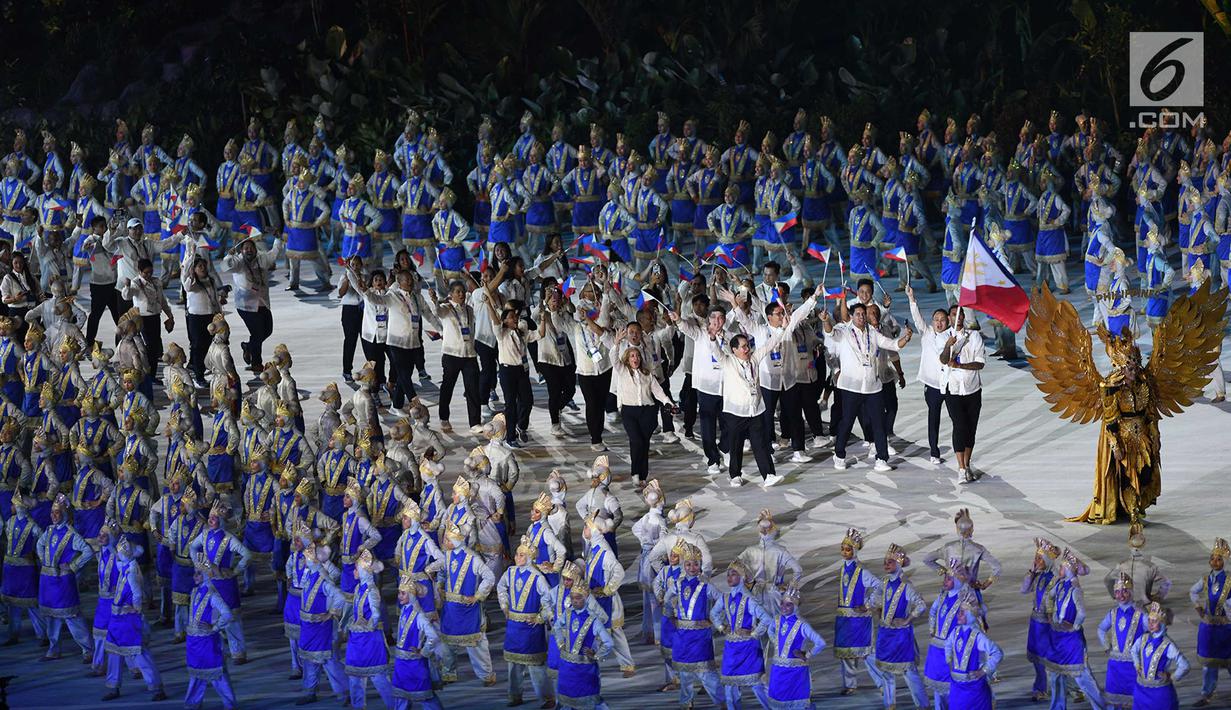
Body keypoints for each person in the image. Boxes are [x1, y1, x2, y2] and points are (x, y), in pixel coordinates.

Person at [715, 285, 821, 487]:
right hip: (750, 397)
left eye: (783, 313)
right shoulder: (755, 335)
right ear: (769, 316)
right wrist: (733, 305)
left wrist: (814, 297)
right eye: (779, 313)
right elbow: (742, 323)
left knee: (776, 428)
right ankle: (736, 473)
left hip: (776, 388)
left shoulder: (776, 337)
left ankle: (775, 469)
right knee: (744, 439)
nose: (783, 315)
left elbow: (791, 323)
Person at [822, 300, 913, 472]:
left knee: (878, 423)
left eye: (863, 314)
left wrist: (906, 338)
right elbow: (830, 332)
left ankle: (881, 459)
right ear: (851, 316)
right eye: (857, 314)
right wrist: (826, 320)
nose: (861, 317)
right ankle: (839, 454)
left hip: (872, 386)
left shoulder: (873, 332)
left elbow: (892, 345)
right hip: (851, 387)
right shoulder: (844, 331)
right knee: (847, 422)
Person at [101, 536, 167, 701]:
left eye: (120, 551)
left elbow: (137, 593)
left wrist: (135, 608)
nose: (118, 553)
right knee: (115, 653)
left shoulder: (131, 570)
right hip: (117, 618)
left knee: (139, 653)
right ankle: (113, 685)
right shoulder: (124, 564)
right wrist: (108, 543)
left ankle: (156, 687)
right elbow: (114, 556)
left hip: (128, 618)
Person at [1045, 548, 1107, 710]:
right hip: (1058, 637)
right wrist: (1050, 615)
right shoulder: (1059, 586)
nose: (1059, 570)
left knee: (1082, 677)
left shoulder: (1075, 590)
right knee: (1056, 675)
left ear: (1067, 569)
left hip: (1072, 640)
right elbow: (1048, 596)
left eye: (1061, 567)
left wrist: (1074, 627)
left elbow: (1082, 612)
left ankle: (1101, 707)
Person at [497, 534, 554, 708]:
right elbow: (501, 587)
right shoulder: (510, 572)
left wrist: (540, 617)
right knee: (513, 665)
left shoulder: (538, 577)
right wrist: (505, 606)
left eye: (521, 555)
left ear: (529, 557)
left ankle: (547, 697)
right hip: (514, 626)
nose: (517, 558)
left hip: (530, 628)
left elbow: (548, 600)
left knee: (535, 665)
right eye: (516, 554)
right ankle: (515, 695)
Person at [37, 493, 94, 662]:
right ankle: (54, 649)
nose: (54, 516)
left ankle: (88, 650)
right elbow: (40, 544)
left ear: (64, 514)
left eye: (57, 513)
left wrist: (73, 566)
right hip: (48, 580)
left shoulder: (71, 534)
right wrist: (44, 560)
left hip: (63, 581)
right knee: (52, 617)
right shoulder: (49, 530)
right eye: (52, 513)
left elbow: (88, 551)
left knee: (72, 617)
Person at [871, 542, 928, 710]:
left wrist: (906, 620)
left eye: (890, 562)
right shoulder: (884, 582)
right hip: (885, 634)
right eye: (885, 562)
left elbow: (921, 605)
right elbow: (874, 600)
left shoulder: (906, 585)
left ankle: (923, 705)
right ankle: (890, 705)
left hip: (901, 636)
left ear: (898, 563)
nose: (886, 565)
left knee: (909, 673)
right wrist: (875, 608)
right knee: (886, 673)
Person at [220, 227, 285, 373]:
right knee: (257, 333)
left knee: (267, 330)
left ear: (255, 250)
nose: (249, 250)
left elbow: (274, 254)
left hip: (262, 301)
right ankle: (256, 363)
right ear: (241, 251)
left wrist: (278, 239)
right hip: (246, 305)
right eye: (246, 248)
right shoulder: (238, 262)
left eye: (251, 248)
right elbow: (225, 267)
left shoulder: (261, 259)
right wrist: (228, 257)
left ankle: (249, 346)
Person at [553, 569, 616, 710]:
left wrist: (597, 655)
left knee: (590, 701)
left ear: (586, 598)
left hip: (584, 669)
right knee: (566, 700)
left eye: (578, 598)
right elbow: (556, 627)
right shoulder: (567, 614)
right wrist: (560, 643)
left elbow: (609, 642)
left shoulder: (593, 620)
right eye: (573, 598)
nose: (575, 602)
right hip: (567, 667)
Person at [184, 551, 240, 710]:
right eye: (195, 573)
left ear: (206, 575)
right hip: (195, 642)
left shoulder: (212, 595)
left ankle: (230, 705)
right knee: (196, 675)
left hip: (208, 642)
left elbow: (227, 614)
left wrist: (215, 627)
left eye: (198, 574)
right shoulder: (195, 592)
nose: (195, 576)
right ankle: (192, 704)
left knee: (218, 675)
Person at [714, 559, 772, 709]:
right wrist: (721, 626)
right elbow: (713, 613)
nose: (729, 577)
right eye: (728, 574)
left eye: (734, 574)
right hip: (731, 649)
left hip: (748, 648)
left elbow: (767, 619)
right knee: (730, 687)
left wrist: (753, 632)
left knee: (757, 686)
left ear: (741, 577)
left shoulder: (749, 599)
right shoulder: (725, 598)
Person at [905, 282, 950, 465]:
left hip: (950, 384)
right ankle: (934, 450)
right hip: (932, 385)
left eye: (942, 320)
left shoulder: (952, 335)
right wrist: (911, 298)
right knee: (934, 418)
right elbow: (917, 318)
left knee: (957, 418)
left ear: (947, 322)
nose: (939, 323)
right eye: (936, 320)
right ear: (932, 322)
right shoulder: (927, 333)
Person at [939, 307, 986, 483]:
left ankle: (967, 465)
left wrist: (960, 366)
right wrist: (948, 346)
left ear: (963, 317)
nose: (957, 318)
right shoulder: (944, 336)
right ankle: (960, 468)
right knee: (959, 426)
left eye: (960, 315)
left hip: (973, 388)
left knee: (971, 428)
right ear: (950, 318)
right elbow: (943, 360)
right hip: (953, 389)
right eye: (953, 315)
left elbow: (980, 363)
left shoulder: (974, 336)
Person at [766, 581, 828, 710]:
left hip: (795, 672)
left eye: (789, 605)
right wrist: (776, 642)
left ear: (795, 607)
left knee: (796, 704)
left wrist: (807, 654)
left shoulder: (802, 624)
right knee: (778, 703)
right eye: (782, 603)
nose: (784, 607)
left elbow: (820, 642)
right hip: (778, 669)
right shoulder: (777, 619)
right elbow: (770, 630)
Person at [345, 550, 395, 709]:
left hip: (369, 639)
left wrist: (367, 626)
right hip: (357, 640)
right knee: (355, 676)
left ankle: (395, 706)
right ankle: (358, 705)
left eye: (356, 568)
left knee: (378, 677)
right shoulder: (358, 588)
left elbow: (376, 613)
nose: (353, 571)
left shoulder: (371, 590)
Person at [435, 279, 483, 433]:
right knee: (448, 387)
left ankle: (475, 423)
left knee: (473, 388)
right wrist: (436, 301)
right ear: (451, 294)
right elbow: (438, 312)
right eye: (457, 292)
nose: (461, 294)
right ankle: (444, 417)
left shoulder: (469, 309)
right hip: (452, 354)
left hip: (469, 354)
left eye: (462, 291)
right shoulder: (446, 308)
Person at [944, 589, 1003, 710]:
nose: (958, 615)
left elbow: (997, 653)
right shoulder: (955, 632)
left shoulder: (978, 636)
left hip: (974, 689)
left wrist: (983, 671)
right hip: (956, 688)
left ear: (970, 614)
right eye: (959, 612)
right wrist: (950, 662)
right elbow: (948, 645)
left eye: (962, 612)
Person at [391, 578, 444, 710]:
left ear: (411, 594)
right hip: (401, 661)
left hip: (414, 662)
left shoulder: (419, 616)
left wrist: (424, 651)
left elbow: (433, 636)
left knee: (423, 694)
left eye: (403, 593)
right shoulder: (404, 610)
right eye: (399, 593)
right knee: (401, 694)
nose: (399, 596)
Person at [1191, 537, 1231, 707]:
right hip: (1209, 628)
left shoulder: (1229, 580)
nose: (1215, 562)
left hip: (1226, 628)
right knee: (1209, 664)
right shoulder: (1206, 579)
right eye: (1213, 559)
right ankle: (1206, 694)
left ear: (1224, 561)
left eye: (1219, 559)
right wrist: (1198, 607)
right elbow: (1193, 591)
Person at [1099, 572, 1147, 709]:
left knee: (1135, 700)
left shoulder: (1139, 613)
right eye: (1118, 592)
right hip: (1115, 665)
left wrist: (1144, 612)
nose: (1121, 595)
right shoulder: (1113, 613)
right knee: (1114, 700)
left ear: (1131, 592)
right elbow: (1101, 629)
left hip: (1134, 665)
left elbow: (1152, 628)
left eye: (1125, 591)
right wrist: (1107, 646)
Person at [1131, 601, 1189, 709]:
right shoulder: (1143, 638)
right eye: (1149, 620)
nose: (1150, 624)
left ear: (1162, 623)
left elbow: (1184, 665)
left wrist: (1172, 677)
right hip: (1141, 690)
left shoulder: (1168, 645)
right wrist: (1137, 665)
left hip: (1160, 693)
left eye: (1154, 621)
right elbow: (1133, 650)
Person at [1104, 523, 1172, 606]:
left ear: (1129, 546)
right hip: (1143, 604)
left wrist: (1115, 595)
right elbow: (1166, 583)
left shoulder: (1121, 565)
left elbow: (1107, 580)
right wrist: (1158, 597)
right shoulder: (1150, 567)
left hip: (1125, 604)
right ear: (1144, 547)